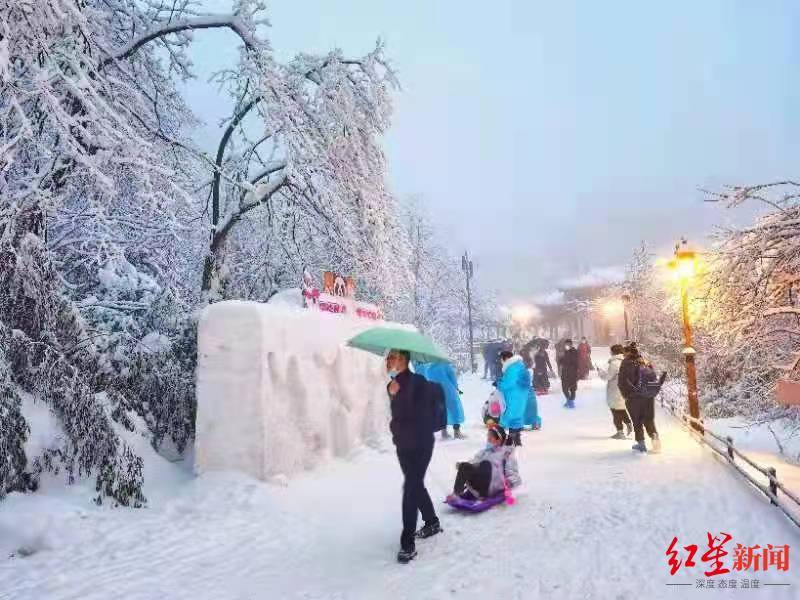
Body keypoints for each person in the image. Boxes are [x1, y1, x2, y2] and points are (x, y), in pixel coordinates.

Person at [386, 349, 441, 564]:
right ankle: (432, 521)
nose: (392, 361)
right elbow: (397, 415)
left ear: (405, 361)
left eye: (397, 358)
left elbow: (420, 413)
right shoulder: (391, 385)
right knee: (415, 485)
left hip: (421, 444)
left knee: (410, 487)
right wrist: (392, 393)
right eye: (390, 358)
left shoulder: (419, 381)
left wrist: (402, 392)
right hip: (403, 445)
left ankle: (407, 543)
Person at [446, 425, 521, 502]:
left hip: (492, 487)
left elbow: (515, 475)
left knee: (486, 464)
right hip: (480, 484)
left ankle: (482, 493)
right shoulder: (486, 451)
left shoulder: (507, 454)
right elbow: (474, 462)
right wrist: (463, 466)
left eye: (490, 437)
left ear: (499, 439)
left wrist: (510, 482)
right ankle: (456, 494)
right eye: (487, 436)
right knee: (466, 466)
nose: (488, 439)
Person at [617, 342, 662, 454]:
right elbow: (653, 377)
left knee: (637, 421)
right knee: (649, 419)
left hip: (634, 397)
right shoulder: (644, 361)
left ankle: (641, 444)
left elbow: (621, 382)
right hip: (648, 395)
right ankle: (654, 438)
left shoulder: (626, 363)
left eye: (624, 353)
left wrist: (626, 395)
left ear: (627, 353)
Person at [415, 361, 466, 440]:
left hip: (436, 392)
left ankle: (444, 432)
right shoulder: (446, 365)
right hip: (448, 391)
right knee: (454, 410)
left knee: (442, 412)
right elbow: (453, 378)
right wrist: (456, 388)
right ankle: (457, 432)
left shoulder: (427, 368)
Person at [497, 350, 530, 446]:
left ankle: (509, 438)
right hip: (521, 394)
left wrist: (499, 383)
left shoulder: (512, 368)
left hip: (514, 395)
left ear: (506, 358)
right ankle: (516, 438)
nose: (501, 361)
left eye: (501, 359)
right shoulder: (519, 365)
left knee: (509, 415)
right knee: (517, 416)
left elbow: (509, 383)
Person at [603, 344, 632, 439]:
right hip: (623, 389)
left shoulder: (614, 363)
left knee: (615, 410)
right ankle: (628, 423)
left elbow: (608, 376)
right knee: (620, 408)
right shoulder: (625, 361)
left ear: (613, 352)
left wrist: (601, 373)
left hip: (615, 389)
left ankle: (620, 432)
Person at [560, 339, 579, 408]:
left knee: (572, 389)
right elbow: (561, 362)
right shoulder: (564, 352)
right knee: (564, 388)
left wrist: (577, 373)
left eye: (568, 344)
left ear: (571, 345)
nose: (566, 346)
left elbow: (574, 362)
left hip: (572, 373)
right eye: (566, 344)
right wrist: (561, 357)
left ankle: (571, 402)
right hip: (565, 373)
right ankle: (569, 400)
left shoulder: (574, 352)